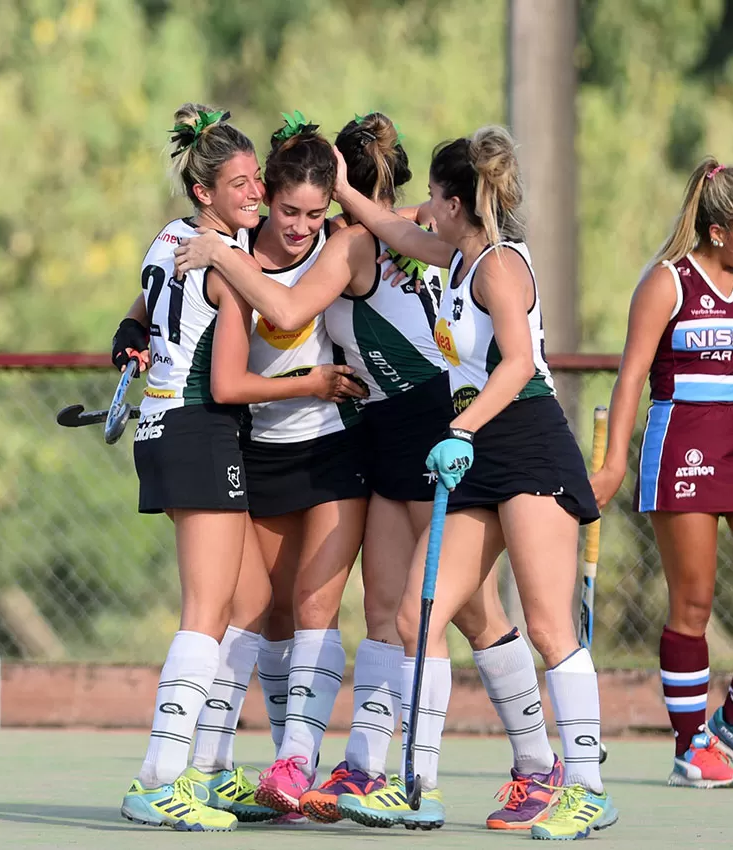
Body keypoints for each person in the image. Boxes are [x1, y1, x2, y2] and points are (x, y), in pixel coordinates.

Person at [175, 113, 565, 831]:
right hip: (387, 429)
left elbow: (288, 305)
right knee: (389, 607)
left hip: (430, 419)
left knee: (469, 612)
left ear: (342, 188)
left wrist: (222, 255)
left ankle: (531, 767)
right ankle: (365, 764)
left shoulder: (359, 240)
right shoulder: (405, 222)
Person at [322, 126, 618, 840]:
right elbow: (394, 226)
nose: (424, 205)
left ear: (455, 203)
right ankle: (416, 785)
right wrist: (339, 190)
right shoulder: (455, 259)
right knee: (417, 617)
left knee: (549, 626)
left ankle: (585, 788)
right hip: (479, 448)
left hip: (525, 443)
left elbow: (517, 363)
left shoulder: (499, 269)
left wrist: (459, 430)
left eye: (434, 194)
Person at [111, 104, 361, 832]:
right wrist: (309, 385)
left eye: (258, 181)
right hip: (201, 432)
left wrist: (130, 326)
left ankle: (214, 772)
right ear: (204, 194)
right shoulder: (234, 268)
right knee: (206, 612)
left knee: (249, 602)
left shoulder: (172, 239)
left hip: (165, 433)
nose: (254, 195)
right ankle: (160, 779)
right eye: (241, 186)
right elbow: (228, 385)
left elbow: (150, 297)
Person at [588, 156, 733, 789]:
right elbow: (631, 375)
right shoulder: (667, 282)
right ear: (718, 231)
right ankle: (690, 748)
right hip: (683, 445)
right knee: (693, 603)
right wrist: (611, 465)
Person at [183, 114, 374, 818]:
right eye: (288, 211)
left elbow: (421, 221)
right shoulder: (230, 249)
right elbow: (165, 275)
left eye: (314, 213)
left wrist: (350, 195)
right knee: (263, 614)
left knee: (319, 608)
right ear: (264, 198)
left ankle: (296, 762)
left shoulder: (334, 246)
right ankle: (216, 761)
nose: (299, 226)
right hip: (258, 452)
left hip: (332, 446)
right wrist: (136, 327)